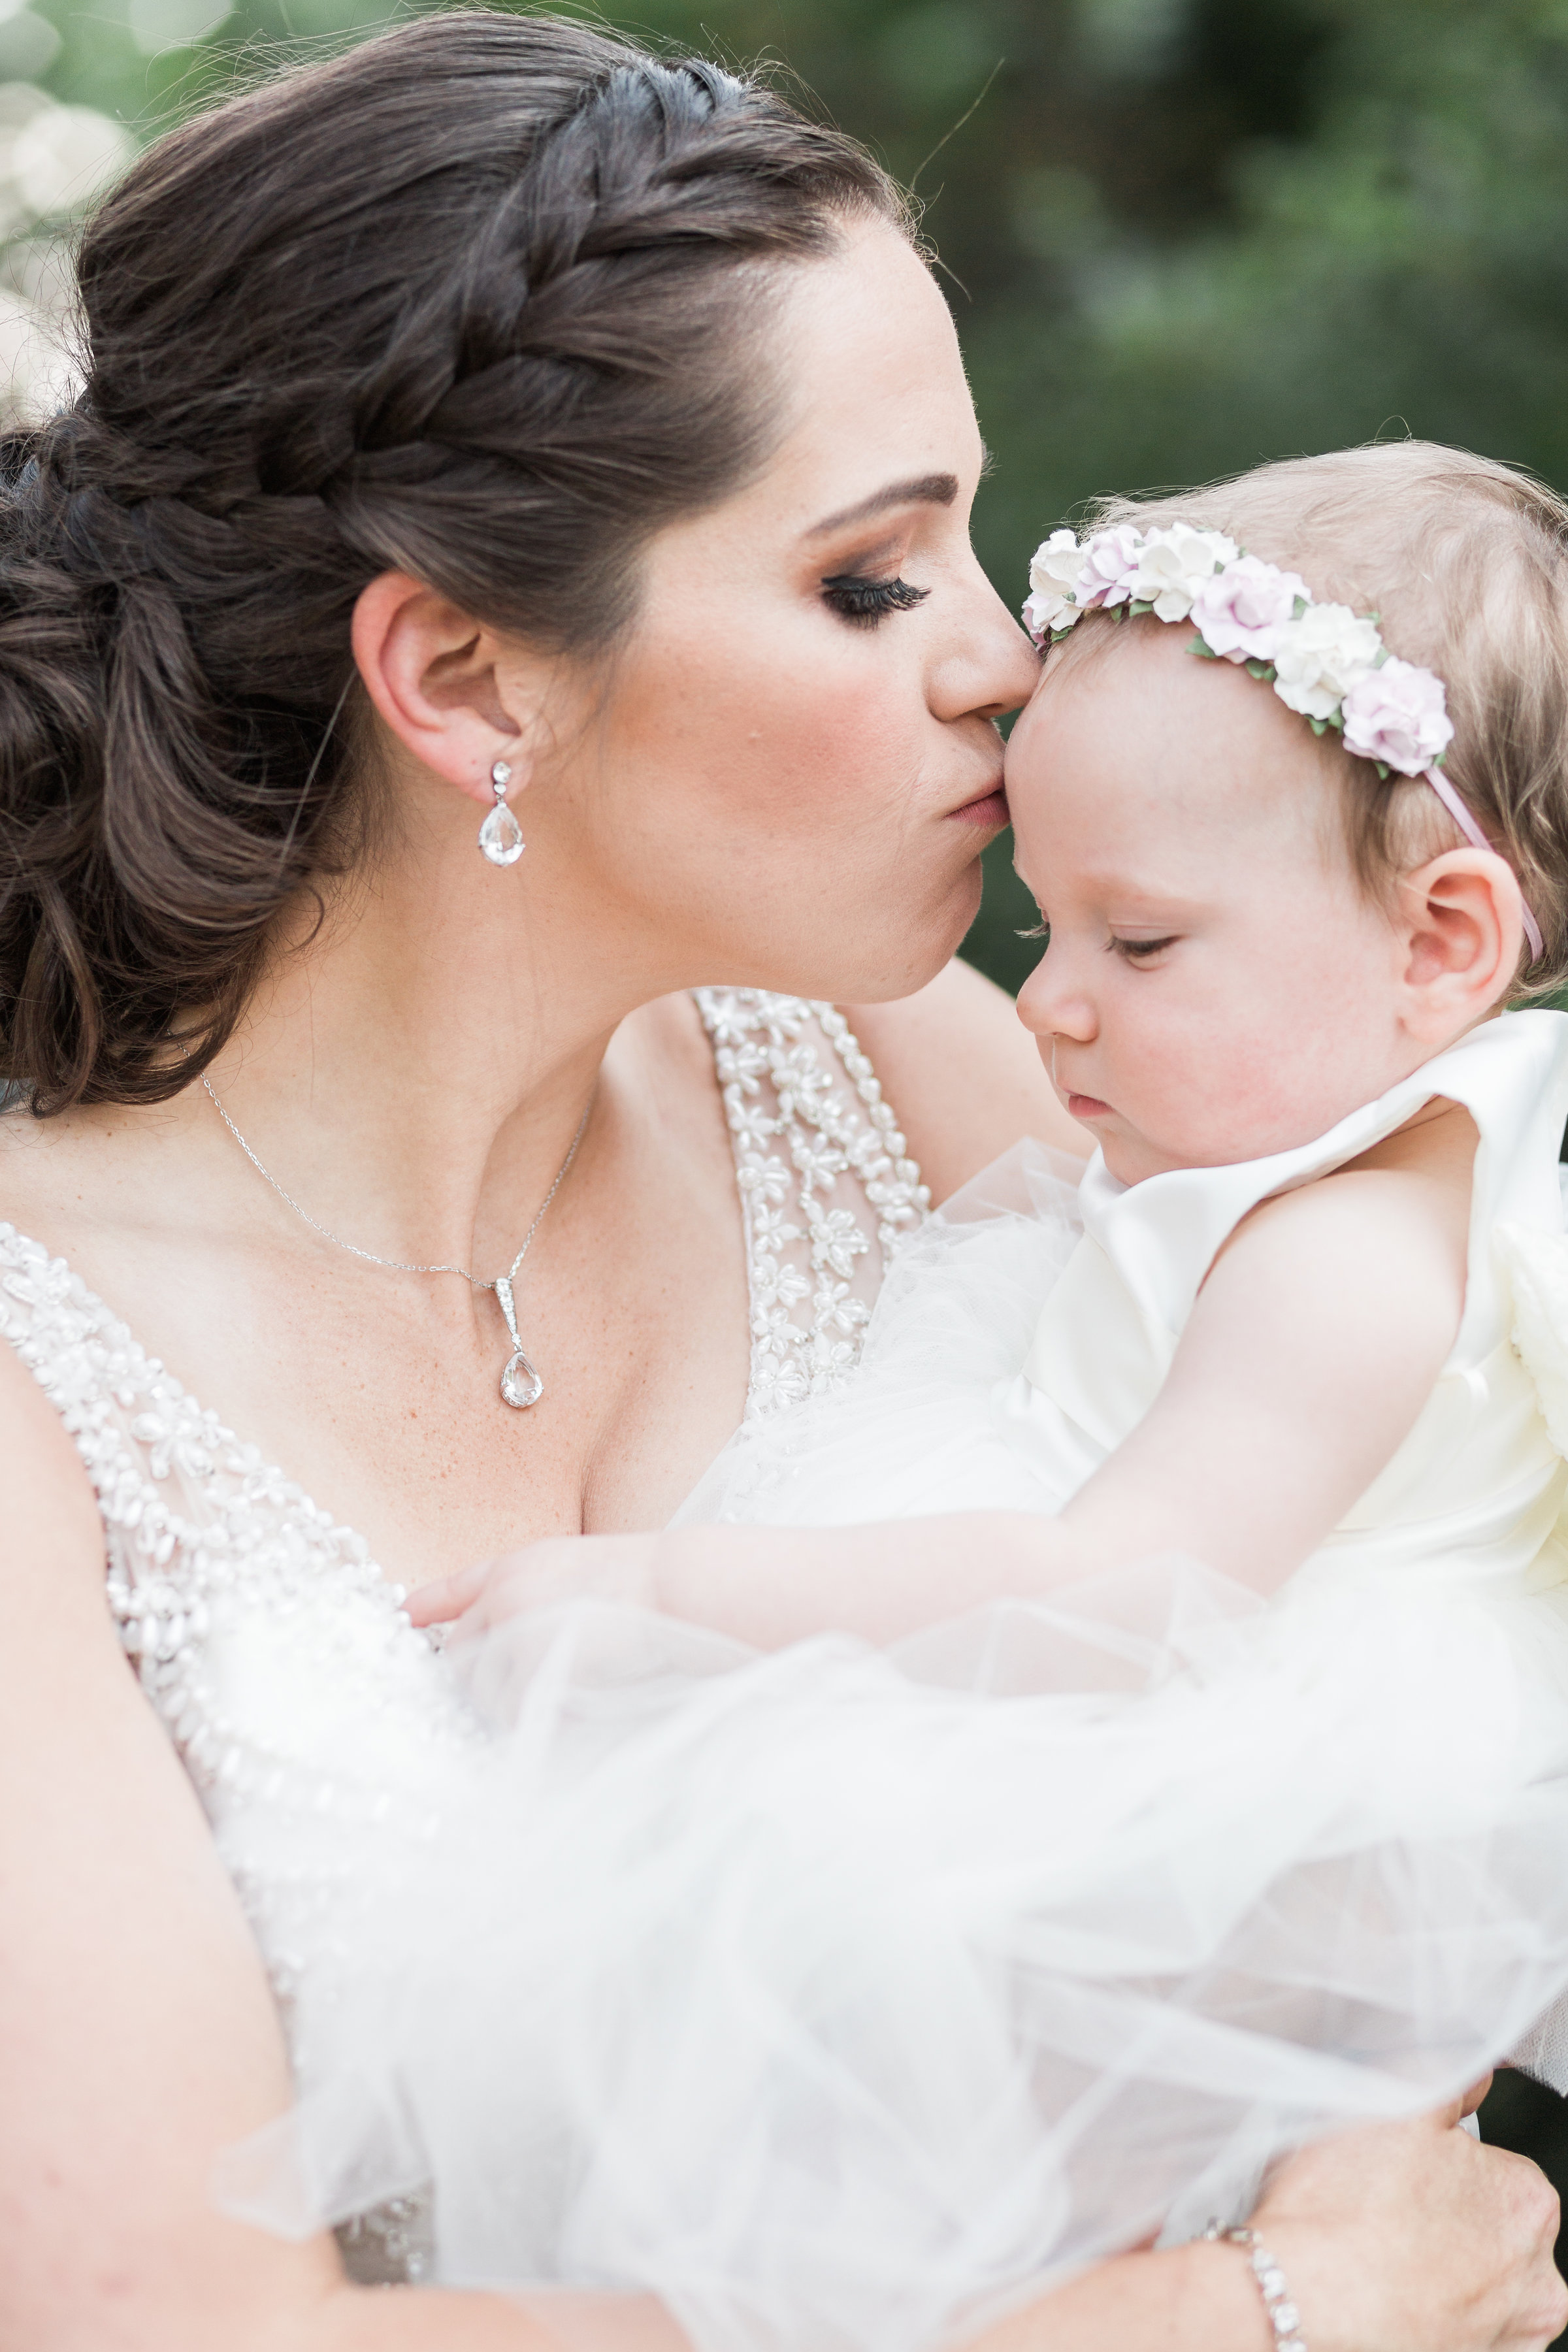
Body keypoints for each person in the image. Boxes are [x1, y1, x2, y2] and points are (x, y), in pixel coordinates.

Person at [0, 12, 1558, 2347]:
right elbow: (172, 2329)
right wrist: (1253, 2312)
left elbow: (1357, 1680)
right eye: (868, 582)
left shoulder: (909, 1062)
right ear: (464, 677)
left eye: (971, 542)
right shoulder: (45, 1382)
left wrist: (1366, 2182)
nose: (1007, 664)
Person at [225, 443, 1568, 2349]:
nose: (1048, 1006)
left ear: (1443, 941)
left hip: (1184, 1770)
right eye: (1047, 926)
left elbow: (1121, 1597)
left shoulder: (1346, 1255)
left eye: (1143, 942)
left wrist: (669, 1604)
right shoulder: (1235, 1159)